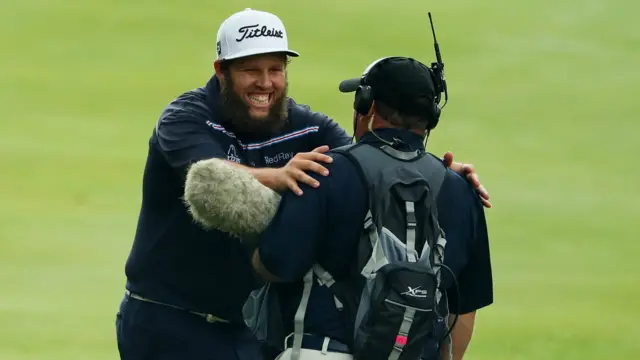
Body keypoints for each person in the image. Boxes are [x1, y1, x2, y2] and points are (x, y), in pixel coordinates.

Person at [115, 7, 490, 360]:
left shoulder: (308, 127)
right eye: (251, 70)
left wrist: (436, 175)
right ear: (221, 70)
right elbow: (210, 178)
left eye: (275, 69)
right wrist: (277, 177)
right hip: (170, 320)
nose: (265, 83)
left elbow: (369, 168)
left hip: (249, 332)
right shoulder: (186, 116)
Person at [220, 56, 494, 360]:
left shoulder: (324, 170)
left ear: (368, 106)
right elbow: (463, 310)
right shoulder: (461, 190)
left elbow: (275, 265)